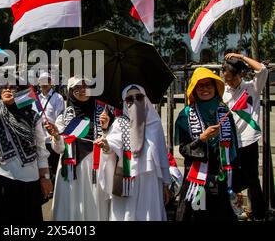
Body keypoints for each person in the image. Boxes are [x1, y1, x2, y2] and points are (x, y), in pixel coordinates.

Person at [0, 49, 52, 222]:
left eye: (13, 87)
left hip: (30, 183)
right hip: (0, 180)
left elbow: (41, 150)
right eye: (5, 87)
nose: (8, 90)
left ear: (22, 93)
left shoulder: (33, 117)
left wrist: (45, 178)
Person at [95, 84, 171, 221]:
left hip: (150, 180)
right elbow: (111, 147)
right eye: (130, 99)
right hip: (127, 179)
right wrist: (106, 145)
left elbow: (162, 156)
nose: (135, 101)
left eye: (139, 97)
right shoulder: (119, 123)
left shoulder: (155, 123)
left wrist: (165, 184)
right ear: (124, 102)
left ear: (145, 98)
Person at [175, 67, 240, 221]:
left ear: (215, 87)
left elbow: (234, 149)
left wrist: (236, 185)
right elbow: (184, 149)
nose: (205, 89)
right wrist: (201, 139)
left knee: (221, 216)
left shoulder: (225, 113)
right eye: (200, 85)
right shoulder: (185, 115)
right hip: (198, 181)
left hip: (223, 180)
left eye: (208, 85)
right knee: (198, 216)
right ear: (194, 89)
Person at [44, 76, 111, 221]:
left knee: (94, 209)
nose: (82, 90)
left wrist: (105, 129)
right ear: (70, 92)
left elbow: (111, 146)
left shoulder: (104, 114)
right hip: (70, 172)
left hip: (95, 170)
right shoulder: (64, 116)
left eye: (85, 86)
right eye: (77, 88)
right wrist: (56, 135)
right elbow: (59, 148)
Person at [222, 52, 268, 220]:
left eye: (233, 79)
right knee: (230, 179)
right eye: (226, 78)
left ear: (240, 74)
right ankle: (234, 211)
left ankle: (259, 215)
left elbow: (262, 70)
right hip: (230, 142)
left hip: (249, 140)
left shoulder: (252, 87)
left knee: (253, 180)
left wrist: (241, 57)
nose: (230, 82)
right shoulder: (223, 92)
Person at [33, 72, 65, 181]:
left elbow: (59, 118)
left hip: (51, 139)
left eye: (47, 81)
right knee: (42, 168)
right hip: (39, 139)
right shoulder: (35, 98)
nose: (44, 84)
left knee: (54, 167)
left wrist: (55, 134)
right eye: (42, 81)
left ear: (51, 83)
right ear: (39, 83)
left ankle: (53, 188)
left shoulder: (58, 97)